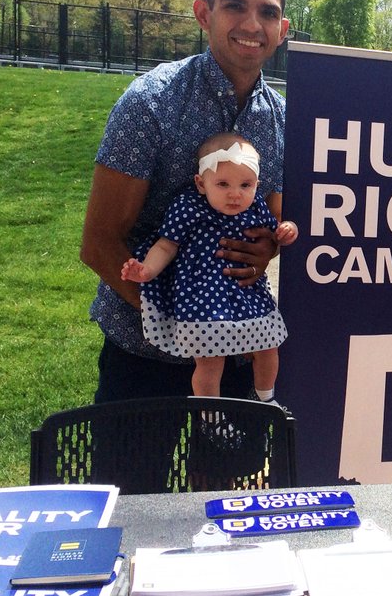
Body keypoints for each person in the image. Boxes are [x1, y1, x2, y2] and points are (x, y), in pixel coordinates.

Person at [81, 0, 290, 402]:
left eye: (267, 12)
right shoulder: (151, 103)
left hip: (240, 351)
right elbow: (99, 242)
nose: (252, 24)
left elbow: (278, 221)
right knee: (134, 455)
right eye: (234, 5)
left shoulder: (284, 121)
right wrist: (180, 324)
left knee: (232, 453)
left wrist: (268, 246)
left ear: (282, 29)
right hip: (143, 352)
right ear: (204, 14)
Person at [121, 133, 298, 401]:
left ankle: (267, 397)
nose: (235, 194)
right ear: (201, 183)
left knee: (269, 345)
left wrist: (287, 230)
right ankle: (211, 412)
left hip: (248, 292)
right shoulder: (188, 207)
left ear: (257, 185)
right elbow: (167, 245)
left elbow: (275, 231)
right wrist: (146, 270)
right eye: (223, 184)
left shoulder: (256, 206)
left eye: (246, 185)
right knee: (210, 361)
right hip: (204, 295)